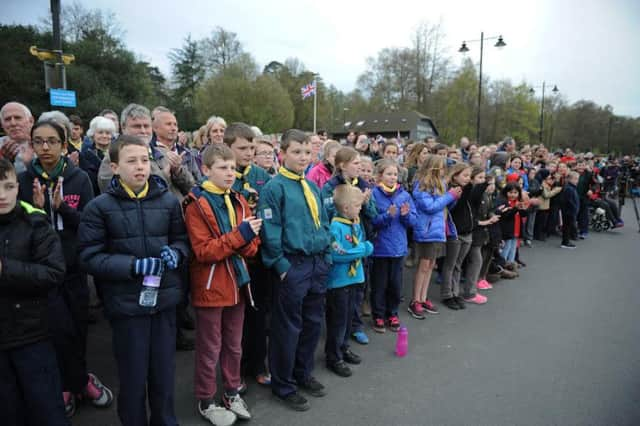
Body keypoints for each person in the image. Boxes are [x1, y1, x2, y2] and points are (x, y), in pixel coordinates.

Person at [78, 135, 191, 425]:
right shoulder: (99, 207)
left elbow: (181, 241)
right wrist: (133, 265)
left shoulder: (167, 201)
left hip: (164, 303)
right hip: (126, 306)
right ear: (114, 167)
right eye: (131, 161)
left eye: (144, 159)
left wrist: (176, 255)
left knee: (164, 376)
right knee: (132, 378)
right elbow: (89, 257)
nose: (140, 166)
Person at [18, 119, 113, 417]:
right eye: (38, 141)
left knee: (77, 327)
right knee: (53, 331)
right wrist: (38, 211)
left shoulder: (78, 177)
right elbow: (19, 231)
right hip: (40, 271)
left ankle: (80, 378)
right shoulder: (22, 180)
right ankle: (64, 383)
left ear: (63, 145)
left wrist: (62, 208)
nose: (45, 148)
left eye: (52, 141)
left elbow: (89, 223)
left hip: (73, 267)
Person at [184, 144, 261, 425]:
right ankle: (206, 399)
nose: (230, 173)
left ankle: (231, 391)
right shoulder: (196, 204)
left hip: (238, 282)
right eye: (222, 168)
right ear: (206, 170)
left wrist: (248, 241)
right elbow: (204, 251)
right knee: (210, 347)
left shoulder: (239, 199)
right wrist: (241, 237)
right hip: (211, 285)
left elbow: (252, 245)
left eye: (232, 168)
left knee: (234, 344)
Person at [257, 129, 332, 411]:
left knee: (313, 323)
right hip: (292, 265)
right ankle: (283, 384)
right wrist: (281, 266)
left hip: (316, 264)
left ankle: (303, 373)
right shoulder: (274, 188)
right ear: (283, 154)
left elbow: (324, 221)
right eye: (296, 152)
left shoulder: (312, 186)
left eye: (307, 153)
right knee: (287, 328)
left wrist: (325, 254)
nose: (303, 157)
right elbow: (270, 229)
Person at [0, 158, 69, 426]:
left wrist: (6, 269)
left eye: (7, 186)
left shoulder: (35, 223)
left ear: (18, 187)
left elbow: (53, 272)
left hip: (32, 335)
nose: (2, 195)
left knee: (47, 410)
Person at [223, 123, 272, 390]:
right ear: (228, 148)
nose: (249, 153)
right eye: (242, 148)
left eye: (252, 147)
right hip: (232, 256)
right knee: (234, 320)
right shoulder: (224, 177)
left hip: (259, 256)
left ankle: (258, 364)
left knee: (259, 315)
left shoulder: (263, 175)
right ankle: (236, 369)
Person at [321, 147, 377, 345]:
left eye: (361, 163)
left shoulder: (363, 184)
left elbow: (372, 214)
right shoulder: (330, 186)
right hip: (341, 240)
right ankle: (337, 339)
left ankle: (355, 326)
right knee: (340, 298)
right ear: (342, 166)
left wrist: (367, 202)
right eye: (355, 163)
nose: (360, 167)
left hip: (358, 236)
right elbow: (326, 214)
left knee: (358, 290)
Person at [325, 184, 372, 377]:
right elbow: (337, 255)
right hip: (339, 282)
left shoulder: (354, 222)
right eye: (358, 205)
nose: (360, 208)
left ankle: (343, 348)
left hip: (355, 277)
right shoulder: (335, 226)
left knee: (348, 318)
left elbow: (358, 246)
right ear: (346, 208)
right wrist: (364, 249)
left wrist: (361, 249)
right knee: (337, 320)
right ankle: (333, 356)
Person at [410, 154, 461, 318]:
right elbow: (430, 207)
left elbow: (445, 206)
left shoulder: (441, 184)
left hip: (437, 230)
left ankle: (423, 298)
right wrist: (450, 196)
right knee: (423, 266)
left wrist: (453, 197)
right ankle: (415, 300)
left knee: (431, 265)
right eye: (441, 167)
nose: (444, 170)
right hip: (426, 231)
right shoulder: (421, 185)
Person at [370, 159, 416, 333]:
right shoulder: (374, 194)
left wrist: (405, 216)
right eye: (388, 174)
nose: (392, 177)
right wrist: (387, 216)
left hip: (398, 248)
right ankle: (378, 315)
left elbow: (413, 220)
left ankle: (393, 313)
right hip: (380, 248)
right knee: (379, 284)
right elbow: (372, 221)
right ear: (380, 176)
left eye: (395, 174)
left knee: (395, 284)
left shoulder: (405, 195)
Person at [440, 162, 479, 309]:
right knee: (450, 265)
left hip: (467, 232)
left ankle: (455, 293)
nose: (468, 178)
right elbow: (454, 208)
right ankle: (447, 294)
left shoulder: (468, 189)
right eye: (465, 175)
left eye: (469, 176)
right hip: (455, 232)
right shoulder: (452, 190)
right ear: (455, 176)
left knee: (458, 265)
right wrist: (464, 191)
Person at [81, 116, 117, 196]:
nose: (104, 136)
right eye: (100, 132)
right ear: (93, 134)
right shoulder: (85, 155)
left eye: (108, 133)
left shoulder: (116, 153)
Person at [0, 102, 34, 174]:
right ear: (2, 125)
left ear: (31, 121)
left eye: (18, 118)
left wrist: (31, 164)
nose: (13, 123)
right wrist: (3, 162)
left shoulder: (45, 145)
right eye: (7, 119)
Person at [561, 171, 580, 249]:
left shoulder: (571, 187)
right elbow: (569, 201)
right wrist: (574, 209)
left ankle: (566, 241)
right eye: (575, 179)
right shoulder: (569, 188)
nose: (577, 181)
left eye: (577, 179)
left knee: (567, 227)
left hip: (570, 211)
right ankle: (565, 242)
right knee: (567, 227)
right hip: (569, 212)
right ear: (570, 179)